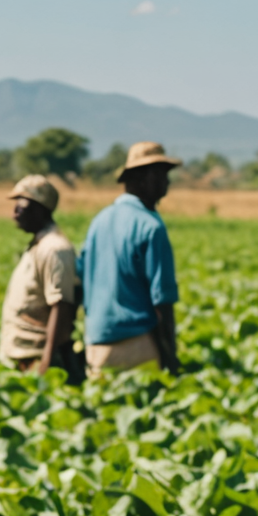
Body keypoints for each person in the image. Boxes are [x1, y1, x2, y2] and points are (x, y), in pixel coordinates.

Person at [78, 142, 182, 376]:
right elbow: (162, 302)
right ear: (141, 178)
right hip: (137, 347)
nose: (167, 182)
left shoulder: (99, 221)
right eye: (161, 174)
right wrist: (170, 355)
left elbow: (80, 276)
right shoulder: (151, 227)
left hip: (96, 345)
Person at [0, 175, 80, 374]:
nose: (15, 210)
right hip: (23, 354)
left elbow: (61, 307)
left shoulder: (54, 249)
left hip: (37, 357)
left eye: (22, 204)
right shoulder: (39, 245)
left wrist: (46, 363)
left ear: (39, 208)